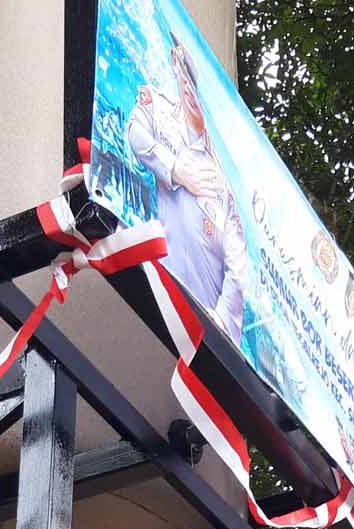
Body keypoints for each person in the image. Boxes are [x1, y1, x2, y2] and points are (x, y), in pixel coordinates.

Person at [125, 38, 248, 344]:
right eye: (184, 76)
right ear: (175, 66)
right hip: (158, 295)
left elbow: (238, 266)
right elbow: (135, 133)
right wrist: (175, 170)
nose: (189, 89)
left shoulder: (219, 178)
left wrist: (219, 321)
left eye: (194, 82)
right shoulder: (158, 106)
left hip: (201, 326)